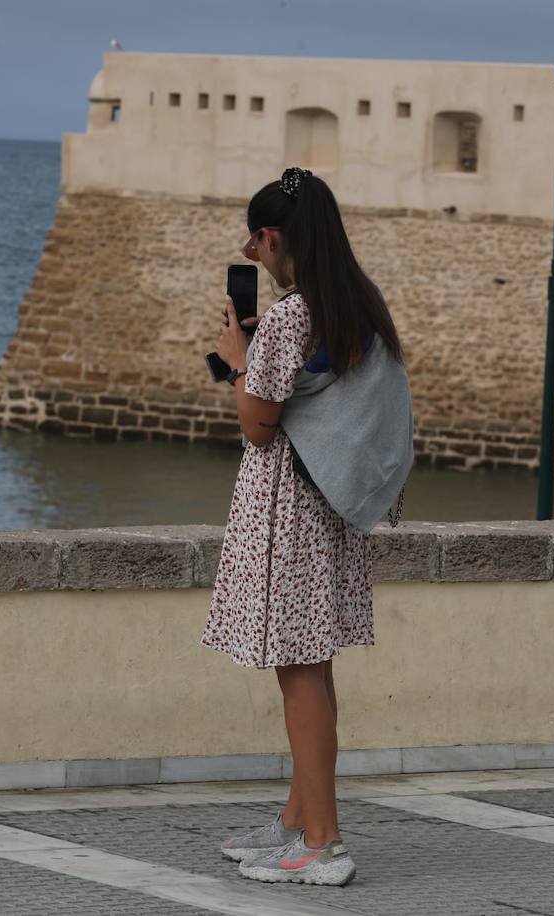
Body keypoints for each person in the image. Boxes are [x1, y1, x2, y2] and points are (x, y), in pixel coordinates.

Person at [202, 167, 414, 887]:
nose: (251, 253)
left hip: (288, 505)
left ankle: (323, 842)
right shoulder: (355, 302)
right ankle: (297, 823)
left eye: (255, 241)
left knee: (300, 675)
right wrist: (261, 354)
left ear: (273, 237)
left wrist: (239, 364)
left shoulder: (294, 315)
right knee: (310, 669)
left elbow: (260, 426)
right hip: (330, 506)